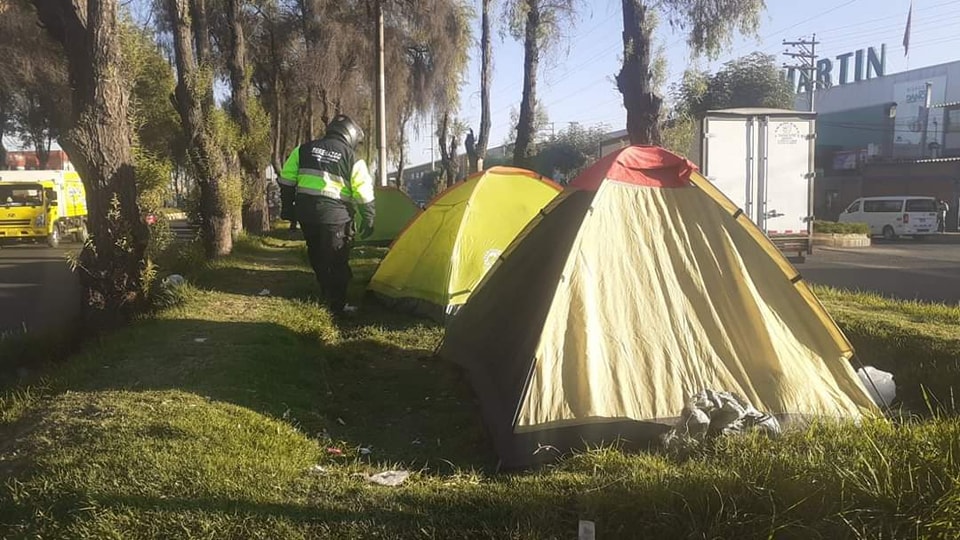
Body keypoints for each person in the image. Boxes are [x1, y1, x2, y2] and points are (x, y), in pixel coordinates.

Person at [278, 114, 376, 316]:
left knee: (317, 255)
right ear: (349, 136)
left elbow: (286, 180)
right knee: (337, 259)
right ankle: (337, 306)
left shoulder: (303, 149)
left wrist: (288, 208)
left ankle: (325, 295)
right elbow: (363, 193)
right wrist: (369, 218)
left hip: (306, 214)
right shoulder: (353, 159)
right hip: (335, 217)